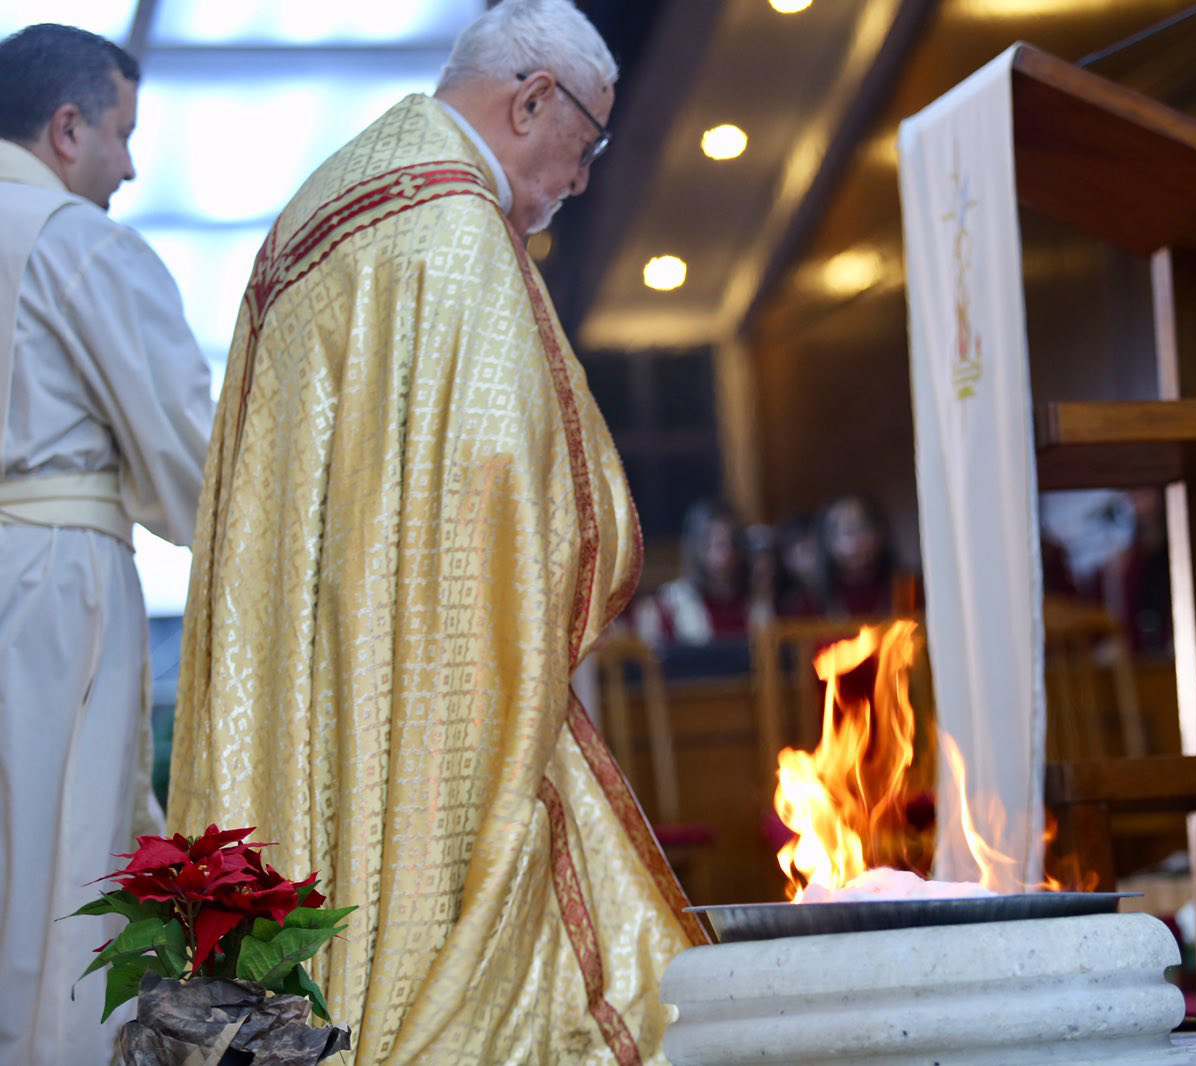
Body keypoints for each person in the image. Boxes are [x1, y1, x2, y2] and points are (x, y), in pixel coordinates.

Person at [167, 3, 704, 1062]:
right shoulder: (456, 227)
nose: (583, 176)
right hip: (425, 674)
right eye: (585, 142)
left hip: (299, 665)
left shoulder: (327, 198)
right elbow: (517, 487)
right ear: (533, 100)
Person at [0, 24, 214, 1066]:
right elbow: (183, 440)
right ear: (67, 125)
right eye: (122, 135)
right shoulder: (75, 240)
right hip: (55, 578)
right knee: (66, 875)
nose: (128, 167)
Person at [635, 500, 758, 645]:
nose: (726, 553)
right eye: (717, 544)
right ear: (697, 547)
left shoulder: (755, 601)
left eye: (731, 543)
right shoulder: (671, 604)